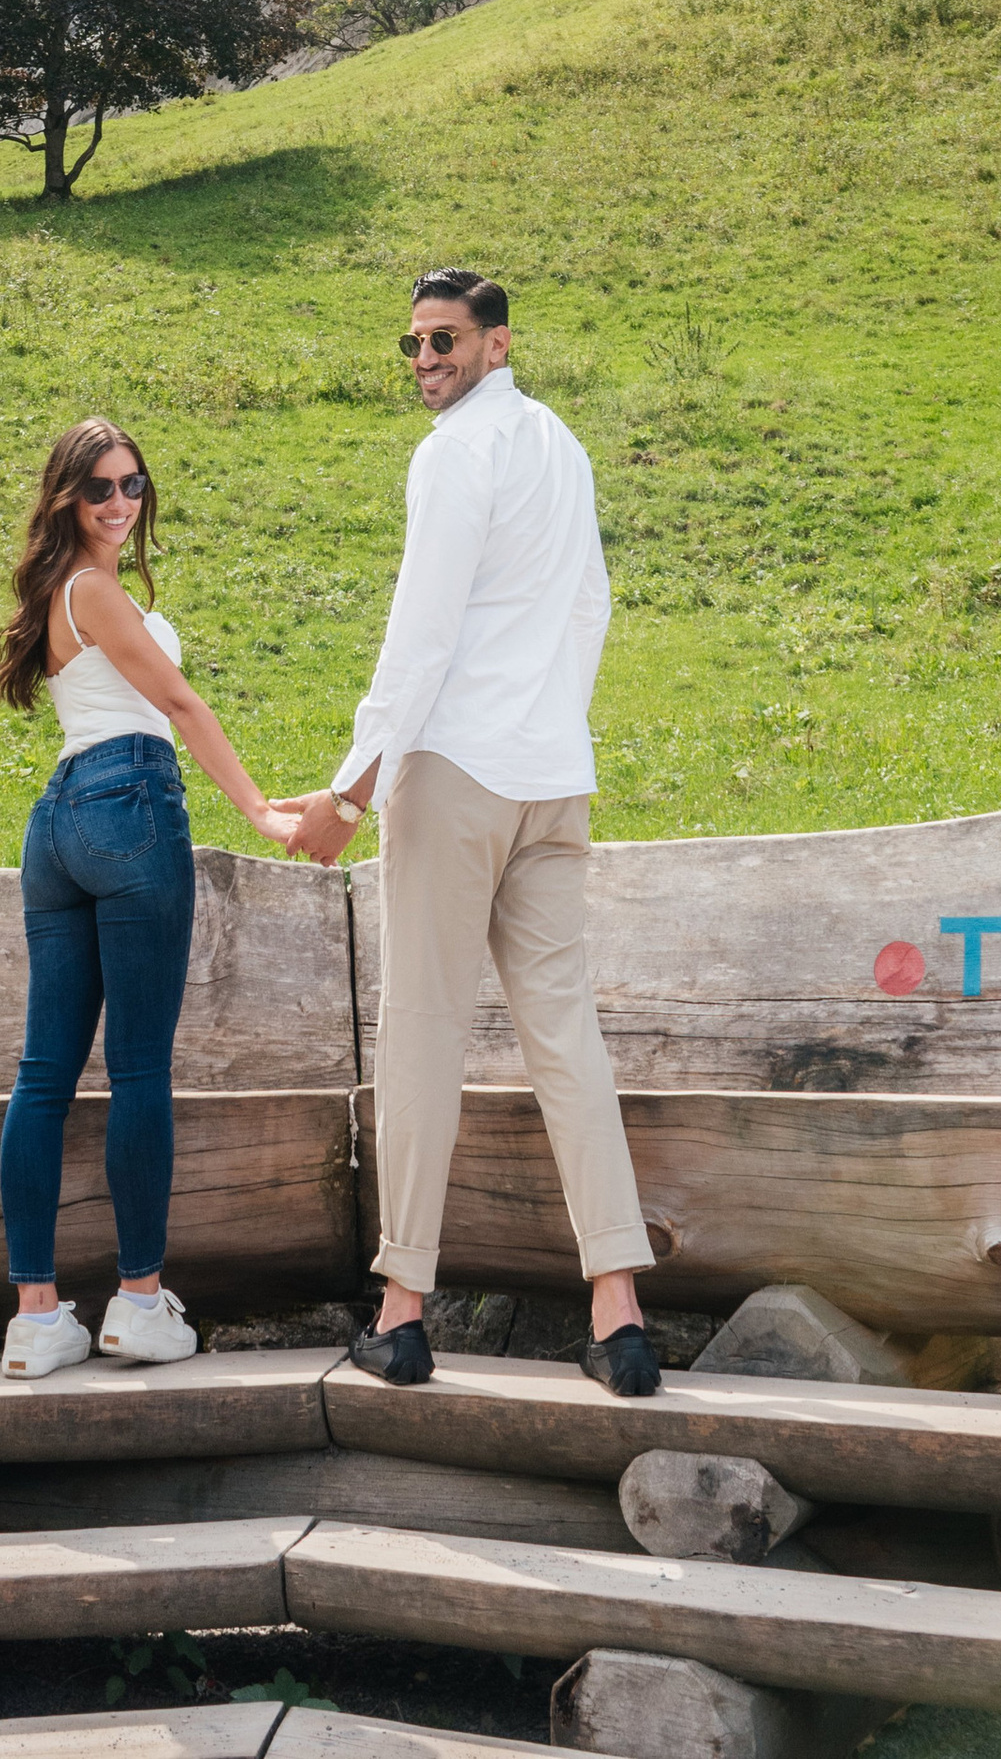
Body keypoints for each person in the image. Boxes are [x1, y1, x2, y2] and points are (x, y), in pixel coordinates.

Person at [275, 269, 659, 1398]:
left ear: (497, 343)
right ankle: (619, 1314)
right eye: (410, 342)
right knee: (565, 1038)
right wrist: (552, 722)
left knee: (423, 1034)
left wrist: (348, 794)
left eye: (442, 338)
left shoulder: (454, 454)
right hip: (552, 775)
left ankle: (401, 1311)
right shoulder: (561, 444)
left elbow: (422, 632)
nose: (422, 358)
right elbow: (592, 603)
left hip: (454, 773)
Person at [0, 413, 292, 1377]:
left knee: (45, 1074)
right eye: (101, 489)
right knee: (139, 1070)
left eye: (133, 484)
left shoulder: (54, 592)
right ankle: (135, 1301)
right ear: (67, 500)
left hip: (58, 821)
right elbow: (179, 703)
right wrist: (260, 810)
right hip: (130, 800)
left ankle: (37, 1318)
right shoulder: (91, 589)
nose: (121, 502)